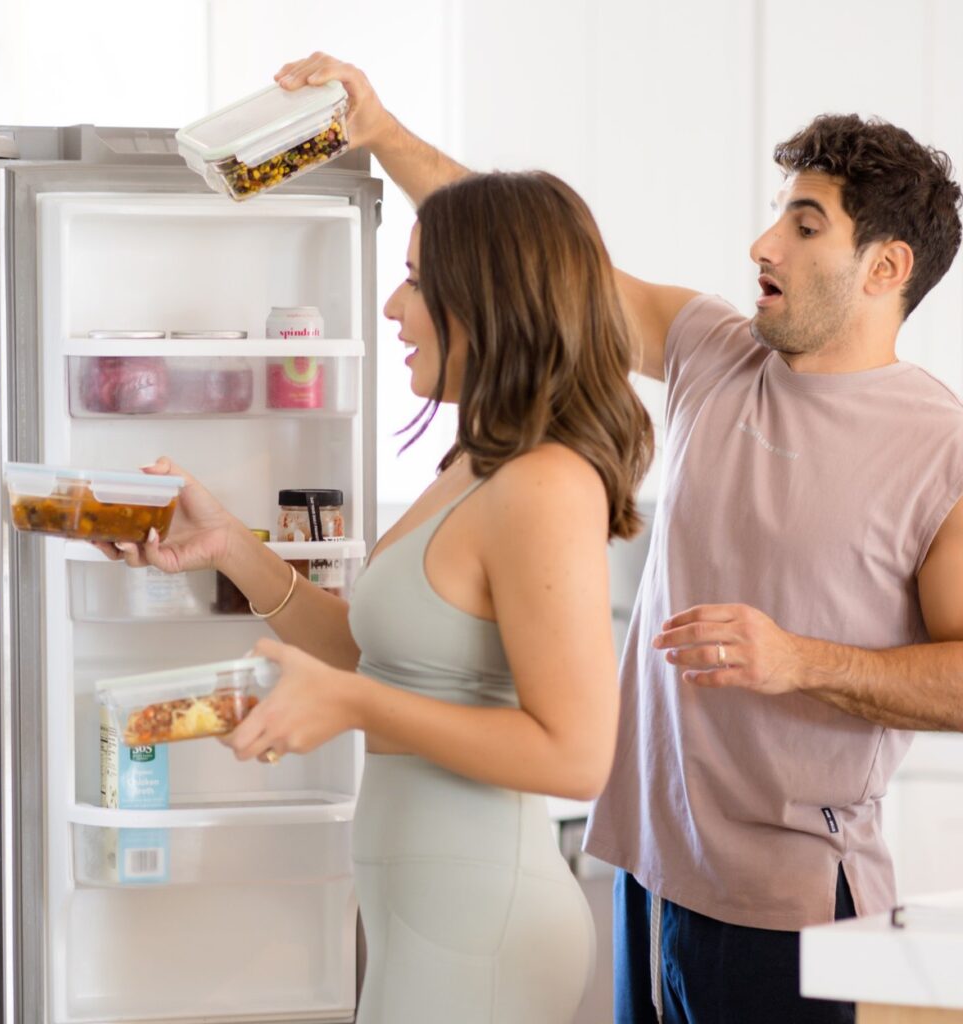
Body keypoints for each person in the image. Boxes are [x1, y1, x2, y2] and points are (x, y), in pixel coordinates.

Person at [271, 53, 963, 1024]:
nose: (764, 240)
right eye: (779, 213)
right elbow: (531, 255)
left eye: (805, 226)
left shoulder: (940, 448)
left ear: (885, 269)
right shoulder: (712, 354)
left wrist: (796, 659)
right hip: (649, 871)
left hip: (791, 909)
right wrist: (383, 134)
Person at [105, 170, 654, 1023]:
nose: (394, 308)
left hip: (481, 921)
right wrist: (233, 550)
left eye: (418, 281)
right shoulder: (479, 462)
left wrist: (354, 705)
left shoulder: (546, 483)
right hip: (433, 911)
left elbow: (576, 753)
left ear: (492, 299)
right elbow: (381, 660)